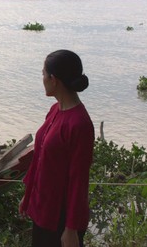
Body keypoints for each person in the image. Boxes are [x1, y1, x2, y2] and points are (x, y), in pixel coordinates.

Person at [19, 50, 94, 247]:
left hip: (60, 216)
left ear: (54, 79)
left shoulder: (80, 124)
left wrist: (71, 229)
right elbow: (40, 158)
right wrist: (27, 198)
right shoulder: (55, 110)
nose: (42, 79)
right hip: (42, 207)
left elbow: (79, 180)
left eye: (43, 74)